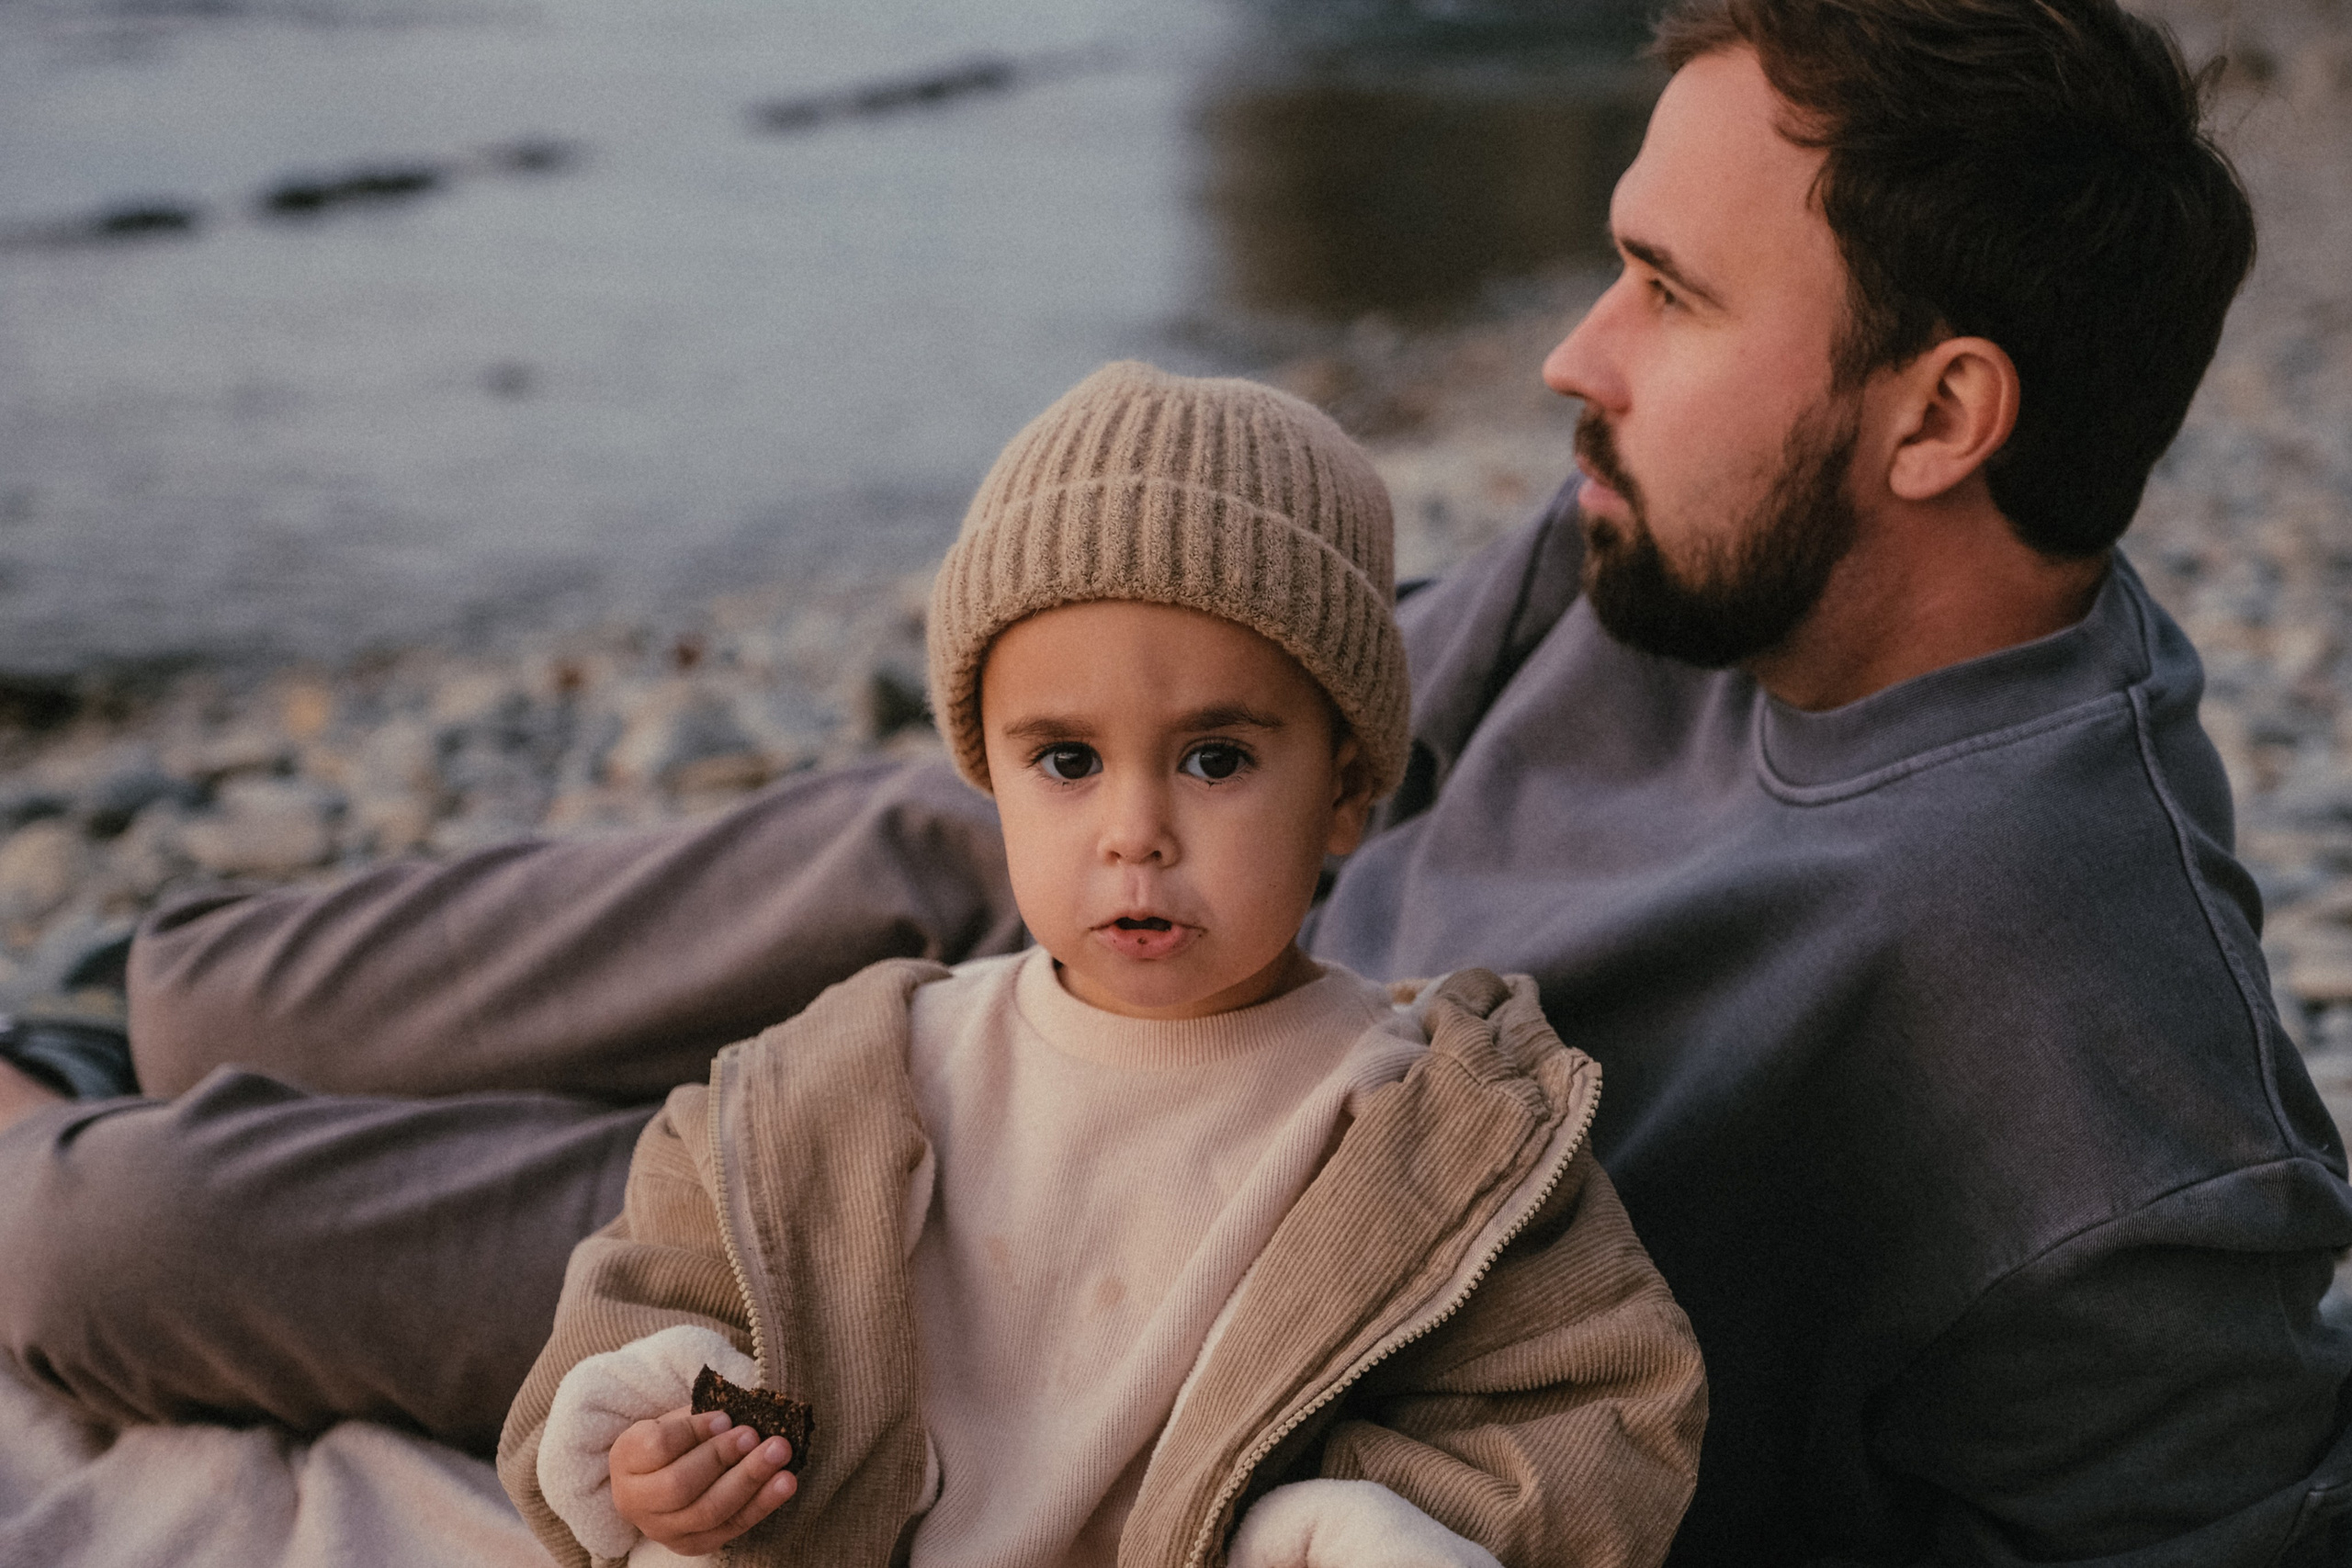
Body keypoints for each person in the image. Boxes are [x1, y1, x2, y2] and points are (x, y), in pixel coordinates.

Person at [1, 0, 2346, 1561]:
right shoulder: (1672, 549)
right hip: (1033, 1022)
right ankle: (128, 1008)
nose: (1571, 349)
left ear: (1938, 416)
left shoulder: (2099, 1052)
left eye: (1669, 290)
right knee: (906, 838)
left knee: (107, 1238)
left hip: (1054, 1319)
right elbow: (945, 842)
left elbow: (2208, 1492)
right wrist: (191, 985)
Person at [496, 360, 1705, 1568]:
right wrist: (658, 1441)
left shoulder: (1432, 1125)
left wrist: (1345, 1525)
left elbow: (1598, 1413)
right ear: (990, 775)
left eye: (1216, 759)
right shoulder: (862, 1073)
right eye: (1067, 762)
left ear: (1343, 794)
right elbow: (658, 1289)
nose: (1137, 831)